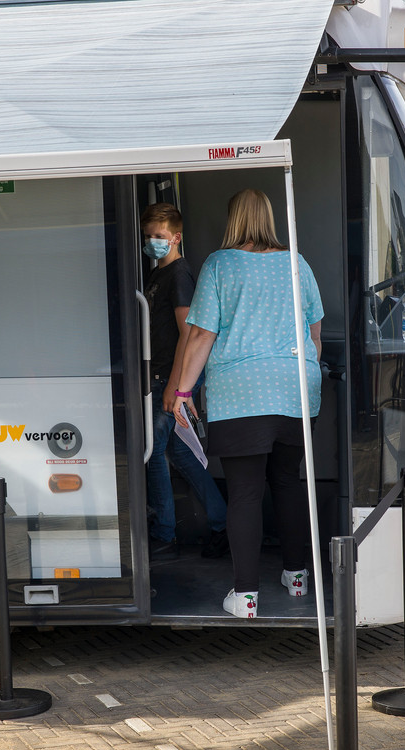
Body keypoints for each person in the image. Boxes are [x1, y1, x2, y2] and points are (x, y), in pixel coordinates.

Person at [172, 189, 323, 619]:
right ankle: (297, 578)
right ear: (268, 217)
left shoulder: (220, 264)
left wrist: (182, 391)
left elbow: (201, 335)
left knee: (244, 493)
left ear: (233, 217)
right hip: (295, 386)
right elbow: (314, 334)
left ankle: (246, 596)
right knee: (288, 482)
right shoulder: (297, 263)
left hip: (241, 391)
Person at [140, 203, 229, 559]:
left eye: (158, 237)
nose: (151, 242)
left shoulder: (178, 276)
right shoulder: (158, 274)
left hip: (167, 377)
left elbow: (187, 335)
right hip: (161, 374)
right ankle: (223, 523)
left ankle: (164, 532)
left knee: (153, 451)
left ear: (175, 238)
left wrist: (175, 388)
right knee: (177, 451)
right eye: (147, 236)